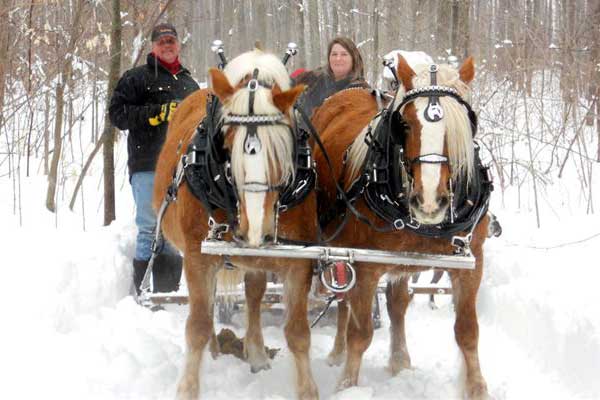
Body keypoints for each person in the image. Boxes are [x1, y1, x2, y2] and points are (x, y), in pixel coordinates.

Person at [109, 23, 199, 294]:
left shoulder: (189, 83)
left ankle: (166, 295)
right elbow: (117, 114)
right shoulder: (137, 78)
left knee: (173, 232)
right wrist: (156, 113)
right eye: (162, 42)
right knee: (149, 227)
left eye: (171, 40)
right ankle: (141, 296)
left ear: (178, 44)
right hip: (148, 164)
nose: (167, 45)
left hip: (184, 169)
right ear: (153, 46)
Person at [294, 36, 370, 119]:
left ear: (353, 58)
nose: (338, 58)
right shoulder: (313, 78)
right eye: (334, 54)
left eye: (344, 54)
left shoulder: (362, 92)